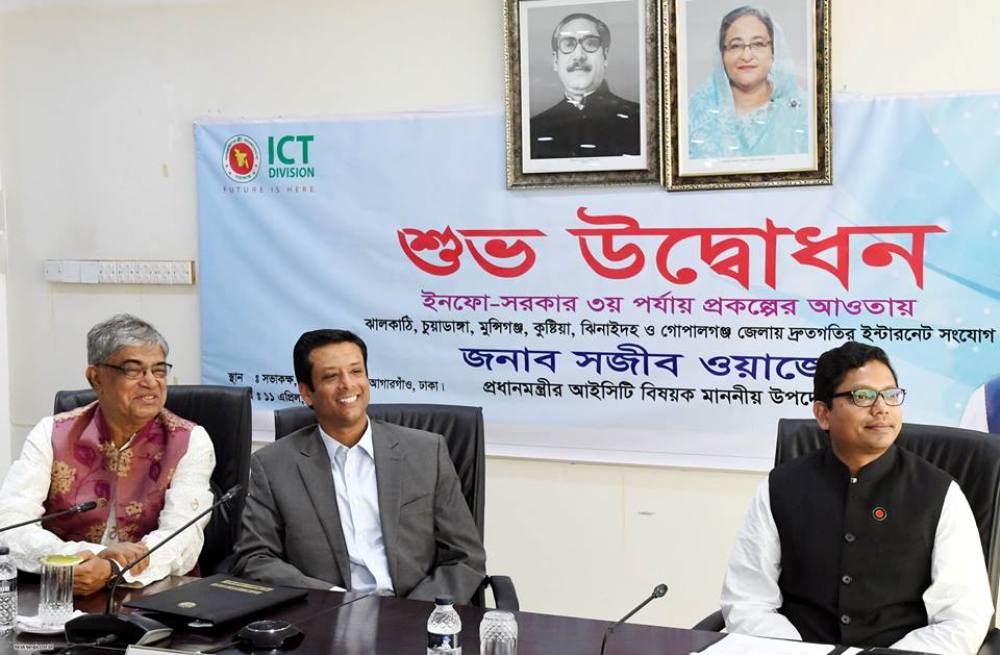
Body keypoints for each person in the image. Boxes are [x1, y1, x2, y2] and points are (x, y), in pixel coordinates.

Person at [721, 341, 992, 654]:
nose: (882, 408)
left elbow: (963, 617)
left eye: (890, 394)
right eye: (863, 396)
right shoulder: (779, 488)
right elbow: (748, 600)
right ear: (823, 414)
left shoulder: (940, 494)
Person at [233, 329, 486, 603]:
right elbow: (254, 558)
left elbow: (465, 557)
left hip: (414, 611)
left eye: (356, 371)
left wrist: (412, 612)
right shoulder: (273, 465)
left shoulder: (426, 452)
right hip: (326, 615)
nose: (347, 385)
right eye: (331, 376)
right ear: (306, 392)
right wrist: (332, 600)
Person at [0, 314, 215, 595]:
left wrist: (112, 568)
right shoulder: (50, 433)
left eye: (159, 370)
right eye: (133, 371)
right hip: (64, 592)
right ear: (96, 377)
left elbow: (182, 539)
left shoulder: (189, 440)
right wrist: (84, 557)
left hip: (151, 596)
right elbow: (10, 525)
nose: (151, 382)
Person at [687, 5, 808, 159]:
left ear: (773, 52)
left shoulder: (803, 113)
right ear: (722, 55)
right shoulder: (695, 114)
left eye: (758, 44)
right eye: (735, 46)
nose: (746, 56)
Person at [529, 12, 640, 159]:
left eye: (590, 43)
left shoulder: (639, 121)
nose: (578, 56)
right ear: (556, 61)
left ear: (605, 56)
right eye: (568, 44)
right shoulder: (533, 129)